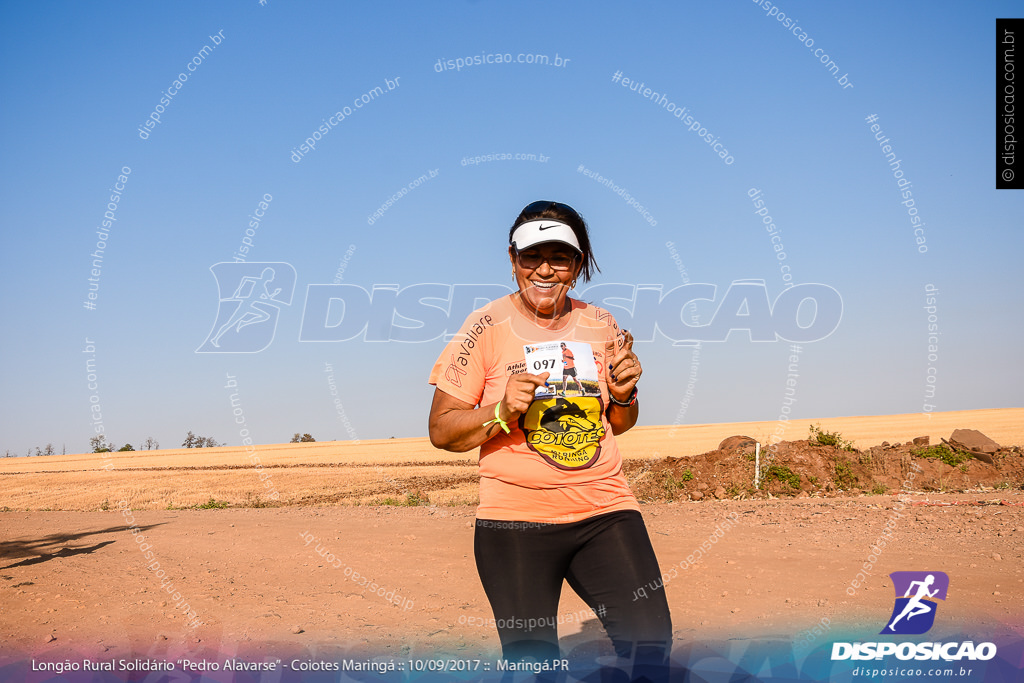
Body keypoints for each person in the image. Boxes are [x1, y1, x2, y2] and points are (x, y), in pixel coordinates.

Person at [428, 201, 672, 677]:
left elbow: (619, 423)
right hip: (515, 522)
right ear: (512, 259)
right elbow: (442, 430)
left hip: (605, 510)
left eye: (559, 257)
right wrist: (500, 411)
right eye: (530, 256)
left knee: (650, 647)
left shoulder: (602, 325)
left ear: (577, 266)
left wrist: (624, 395)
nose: (544, 269)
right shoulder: (484, 328)